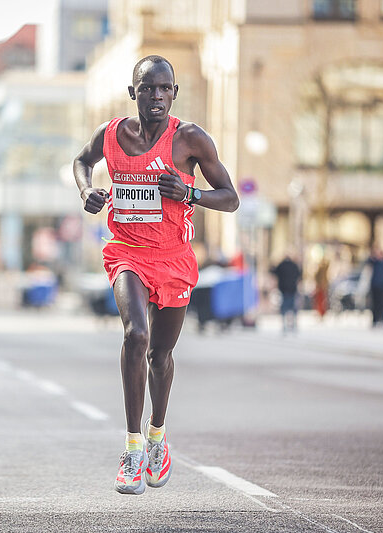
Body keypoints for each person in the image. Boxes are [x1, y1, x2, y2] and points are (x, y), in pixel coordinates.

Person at [73, 55, 239, 495]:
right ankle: (130, 449)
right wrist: (88, 190)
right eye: (147, 88)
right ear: (133, 94)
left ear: (174, 94)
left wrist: (190, 192)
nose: (157, 96)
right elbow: (81, 161)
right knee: (137, 335)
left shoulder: (189, 139)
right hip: (126, 252)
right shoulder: (111, 135)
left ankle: (157, 438)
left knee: (161, 357)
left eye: (165, 88)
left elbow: (231, 198)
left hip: (174, 258)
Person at [272, 254, 301, 334]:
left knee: (284, 307)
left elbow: (274, 271)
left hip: (284, 289)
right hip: (292, 288)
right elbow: (299, 275)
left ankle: (285, 324)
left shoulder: (281, 265)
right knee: (292, 306)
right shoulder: (294, 265)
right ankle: (294, 324)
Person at [366, 246, 383, 328]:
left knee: (382, 304)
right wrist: (373, 256)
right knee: (374, 304)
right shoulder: (374, 262)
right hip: (374, 286)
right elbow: (368, 262)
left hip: (382, 286)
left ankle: (382, 320)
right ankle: (375, 320)